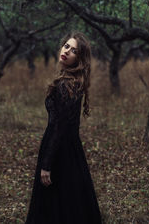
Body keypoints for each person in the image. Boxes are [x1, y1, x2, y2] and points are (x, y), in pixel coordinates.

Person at [25, 31, 102, 224]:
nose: (67, 51)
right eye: (66, 46)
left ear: (79, 58)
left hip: (60, 151)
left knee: (56, 205)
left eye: (74, 50)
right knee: (69, 203)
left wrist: (47, 164)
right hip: (69, 149)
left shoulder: (66, 85)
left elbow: (58, 126)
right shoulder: (72, 82)